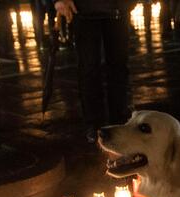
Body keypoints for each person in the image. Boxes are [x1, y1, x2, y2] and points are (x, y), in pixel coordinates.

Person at [54, 0, 133, 143]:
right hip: (84, 10)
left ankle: (118, 119)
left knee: (118, 66)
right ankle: (95, 123)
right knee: (90, 68)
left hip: (117, 8)